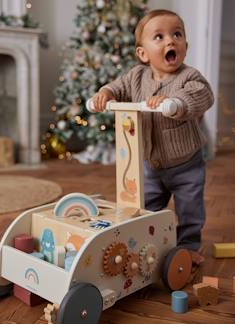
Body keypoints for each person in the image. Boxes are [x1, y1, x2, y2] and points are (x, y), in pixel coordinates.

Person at [91, 9, 214, 264]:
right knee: (148, 207)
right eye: (159, 37)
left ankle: (189, 243)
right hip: (149, 164)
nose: (170, 41)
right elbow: (118, 87)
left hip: (186, 164)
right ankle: (153, 242)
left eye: (177, 34)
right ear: (143, 53)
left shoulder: (188, 77)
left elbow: (202, 95)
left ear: (185, 46)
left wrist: (176, 103)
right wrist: (106, 93)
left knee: (190, 208)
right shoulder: (136, 76)